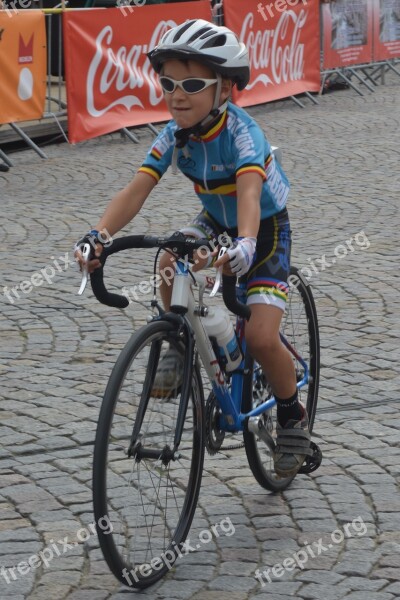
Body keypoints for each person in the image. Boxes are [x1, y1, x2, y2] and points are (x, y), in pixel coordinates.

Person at [75, 19, 312, 477]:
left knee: (262, 337)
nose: (176, 94)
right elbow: (135, 190)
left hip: (262, 227)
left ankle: (291, 415)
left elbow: (247, 193)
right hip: (216, 222)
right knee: (169, 259)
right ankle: (182, 348)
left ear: (224, 89)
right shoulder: (174, 135)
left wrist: (244, 243)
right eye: (167, 83)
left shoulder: (243, 134)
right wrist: (99, 234)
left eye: (191, 84)